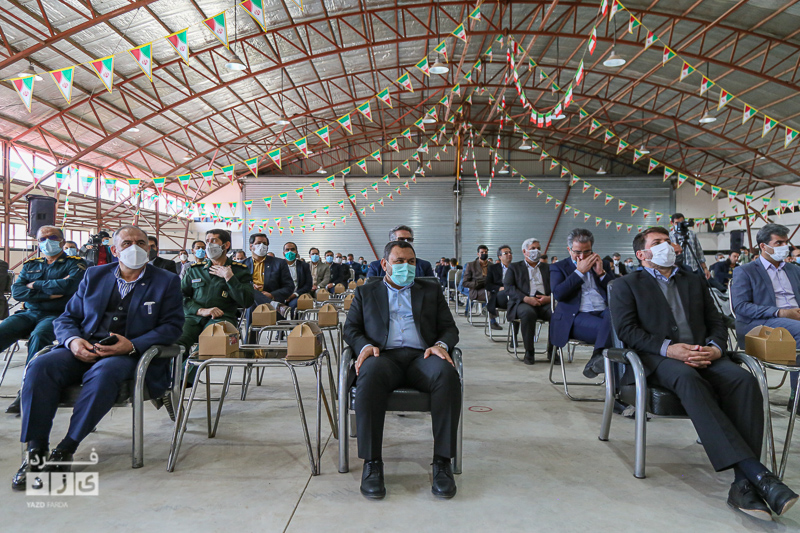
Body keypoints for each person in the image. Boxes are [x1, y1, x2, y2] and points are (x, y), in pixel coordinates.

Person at [612, 226, 798, 521]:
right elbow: (627, 331)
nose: (667, 246)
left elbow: (717, 321)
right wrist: (669, 349)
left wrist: (715, 348)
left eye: (668, 241)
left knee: (744, 380)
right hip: (660, 358)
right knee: (689, 379)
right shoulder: (626, 285)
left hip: (704, 352)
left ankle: (743, 484)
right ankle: (756, 473)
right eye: (658, 242)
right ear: (642, 254)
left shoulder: (693, 280)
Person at [12, 225, 184, 491]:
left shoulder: (166, 280)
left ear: (150, 248)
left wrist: (132, 345)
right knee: (40, 366)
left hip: (127, 354)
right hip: (84, 345)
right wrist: (73, 340)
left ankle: (66, 448)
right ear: (114, 250)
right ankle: (35, 451)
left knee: (105, 373)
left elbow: (172, 327)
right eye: (127, 243)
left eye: (141, 243)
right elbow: (68, 317)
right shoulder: (94, 275)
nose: (135, 248)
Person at [343, 240, 460, 500]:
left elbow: (449, 328)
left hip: (423, 356)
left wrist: (441, 345)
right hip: (383, 356)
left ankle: (442, 462)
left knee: (447, 374)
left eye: (411, 262)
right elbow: (351, 329)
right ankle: (372, 463)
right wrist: (365, 346)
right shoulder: (366, 292)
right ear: (385, 264)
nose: (406, 266)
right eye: (399, 261)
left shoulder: (430, 291)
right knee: (368, 373)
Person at [2, 226, 87, 414]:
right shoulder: (32, 264)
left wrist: (34, 286)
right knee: (3, 330)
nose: (47, 242)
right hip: (29, 313)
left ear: (62, 241)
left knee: (39, 336)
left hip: (58, 315)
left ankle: (27, 390)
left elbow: (68, 286)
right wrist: (49, 293)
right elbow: (17, 291)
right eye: (42, 239)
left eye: (53, 237)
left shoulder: (75, 264)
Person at [730, 224, 800, 408]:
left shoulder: (794, 270)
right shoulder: (745, 271)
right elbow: (741, 307)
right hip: (762, 323)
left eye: (786, 242)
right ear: (763, 246)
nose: (785, 246)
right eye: (779, 243)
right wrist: (780, 312)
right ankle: (797, 397)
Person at [176, 229, 253, 364]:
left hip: (222, 318)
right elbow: (179, 296)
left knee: (206, 346)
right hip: (193, 317)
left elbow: (247, 301)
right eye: (207, 241)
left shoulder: (240, 271)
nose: (209, 245)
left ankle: (185, 376)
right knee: (175, 342)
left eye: (213, 241)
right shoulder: (195, 270)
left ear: (226, 245)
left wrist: (230, 278)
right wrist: (200, 310)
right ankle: (174, 376)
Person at [550, 228, 615, 379]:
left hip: (604, 312)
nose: (582, 256)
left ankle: (597, 358)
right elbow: (559, 294)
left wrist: (602, 274)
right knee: (618, 333)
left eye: (587, 252)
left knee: (618, 318)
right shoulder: (558, 267)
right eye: (577, 252)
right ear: (569, 250)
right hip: (576, 316)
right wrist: (578, 272)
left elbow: (617, 292)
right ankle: (616, 384)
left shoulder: (602, 264)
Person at [505, 238, 553, 365]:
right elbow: (509, 288)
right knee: (528, 314)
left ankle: (553, 351)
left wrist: (549, 298)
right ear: (524, 251)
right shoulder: (515, 267)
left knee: (557, 313)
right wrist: (526, 298)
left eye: (538, 248)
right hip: (523, 302)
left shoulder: (548, 268)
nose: (536, 251)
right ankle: (529, 351)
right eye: (533, 248)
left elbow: (556, 286)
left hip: (545, 302)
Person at [367, 225, 435, 277]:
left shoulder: (424, 266)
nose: (406, 242)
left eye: (409, 239)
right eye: (401, 239)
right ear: (391, 242)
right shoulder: (376, 267)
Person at [669, 213, 710, 278]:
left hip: (693, 269)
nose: (680, 225)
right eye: (677, 223)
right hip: (677, 270)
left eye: (681, 222)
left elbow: (699, 252)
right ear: (672, 223)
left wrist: (705, 268)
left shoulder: (692, 234)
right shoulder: (669, 236)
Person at [462, 245, 494, 319]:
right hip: (476, 290)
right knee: (491, 293)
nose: (484, 254)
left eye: (486, 252)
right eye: (482, 252)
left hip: (488, 288)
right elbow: (465, 283)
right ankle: (492, 319)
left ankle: (488, 309)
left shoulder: (492, 266)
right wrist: (477, 283)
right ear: (478, 254)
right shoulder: (471, 265)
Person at [486, 246, 511, 330]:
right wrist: (499, 288)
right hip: (499, 295)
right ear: (500, 257)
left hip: (513, 293)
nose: (509, 255)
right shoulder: (493, 268)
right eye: (506, 253)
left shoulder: (516, 268)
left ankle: (515, 331)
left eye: (510, 253)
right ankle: (493, 321)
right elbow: (488, 285)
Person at [282, 242, 312, 311]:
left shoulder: (304, 266)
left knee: (295, 305)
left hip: (296, 295)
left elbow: (308, 285)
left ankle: (294, 318)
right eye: (287, 250)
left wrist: (294, 295)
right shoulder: (278, 265)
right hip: (281, 295)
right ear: (283, 253)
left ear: (296, 252)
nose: (290, 252)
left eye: (292, 249)